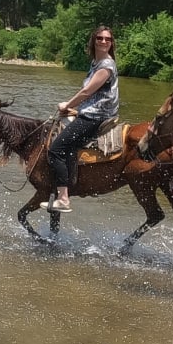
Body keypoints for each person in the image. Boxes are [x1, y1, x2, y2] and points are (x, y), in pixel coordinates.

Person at [40, 27, 119, 212]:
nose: (103, 41)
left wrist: (67, 105)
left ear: (111, 43)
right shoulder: (95, 63)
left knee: (55, 149)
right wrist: (75, 111)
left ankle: (63, 199)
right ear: (94, 41)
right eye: (99, 38)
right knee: (67, 143)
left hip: (97, 116)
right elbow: (94, 96)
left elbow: (87, 92)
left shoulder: (106, 65)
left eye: (107, 39)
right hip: (91, 111)